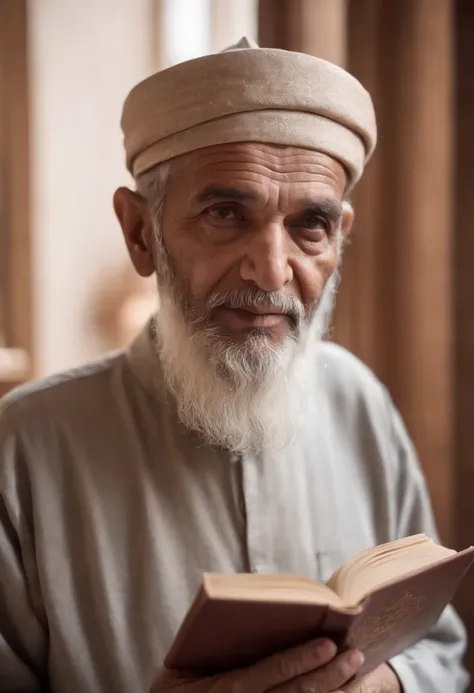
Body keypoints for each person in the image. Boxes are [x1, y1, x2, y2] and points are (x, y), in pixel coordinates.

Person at [0, 37, 468, 693]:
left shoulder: (359, 401)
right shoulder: (22, 447)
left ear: (340, 236)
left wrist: (388, 683)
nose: (271, 271)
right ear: (142, 232)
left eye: (311, 224)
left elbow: (442, 649)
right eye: (226, 213)